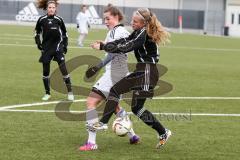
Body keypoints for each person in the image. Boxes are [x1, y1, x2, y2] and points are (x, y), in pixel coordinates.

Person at [91, 8, 171, 149]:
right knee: (135, 107)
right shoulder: (138, 32)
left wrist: (104, 46)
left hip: (147, 72)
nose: (132, 23)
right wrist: (106, 46)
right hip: (143, 71)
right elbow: (124, 41)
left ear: (144, 23)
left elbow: (128, 46)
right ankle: (163, 132)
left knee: (117, 92)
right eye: (132, 20)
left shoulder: (144, 33)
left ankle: (103, 123)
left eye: (135, 21)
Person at [79, 4, 140, 151]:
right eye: (104, 19)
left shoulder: (118, 32)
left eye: (108, 18)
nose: (105, 21)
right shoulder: (117, 32)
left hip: (114, 74)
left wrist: (97, 65)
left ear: (117, 17)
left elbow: (113, 52)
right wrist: (99, 65)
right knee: (114, 106)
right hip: (118, 73)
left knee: (91, 102)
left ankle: (91, 143)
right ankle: (132, 135)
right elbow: (111, 52)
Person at [34, 0, 74, 101]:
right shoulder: (41, 20)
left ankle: (70, 92)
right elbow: (37, 33)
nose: (51, 9)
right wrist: (38, 43)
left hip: (58, 48)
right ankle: (47, 93)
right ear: (47, 9)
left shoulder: (59, 20)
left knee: (63, 69)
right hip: (46, 48)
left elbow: (65, 34)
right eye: (50, 7)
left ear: (55, 9)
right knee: (45, 71)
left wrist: (65, 45)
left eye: (53, 7)